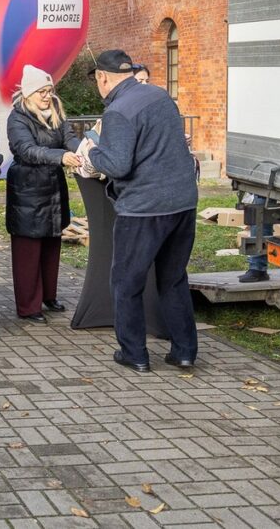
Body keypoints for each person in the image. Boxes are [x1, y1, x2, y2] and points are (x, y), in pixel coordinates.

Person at [79, 49, 199, 373]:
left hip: (144, 209)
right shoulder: (160, 96)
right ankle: (185, 351)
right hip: (183, 202)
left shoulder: (118, 111)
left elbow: (117, 164)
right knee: (173, 279)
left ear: (103, 78)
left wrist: (93, 154)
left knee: (126, 282)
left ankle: (134, 354)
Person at [6, 65, 81, 322]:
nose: (47, 96)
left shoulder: (56, 113)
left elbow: (68, 137)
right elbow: (27, 150)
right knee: (29, 249)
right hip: (28, 190)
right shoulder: (17, 118)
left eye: (49, 90)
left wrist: (83, 151)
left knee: (51, 244)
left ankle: (49, 295)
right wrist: (62, 157)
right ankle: (29, 306)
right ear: (28, 93)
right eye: (42, 91)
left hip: (52, 189)